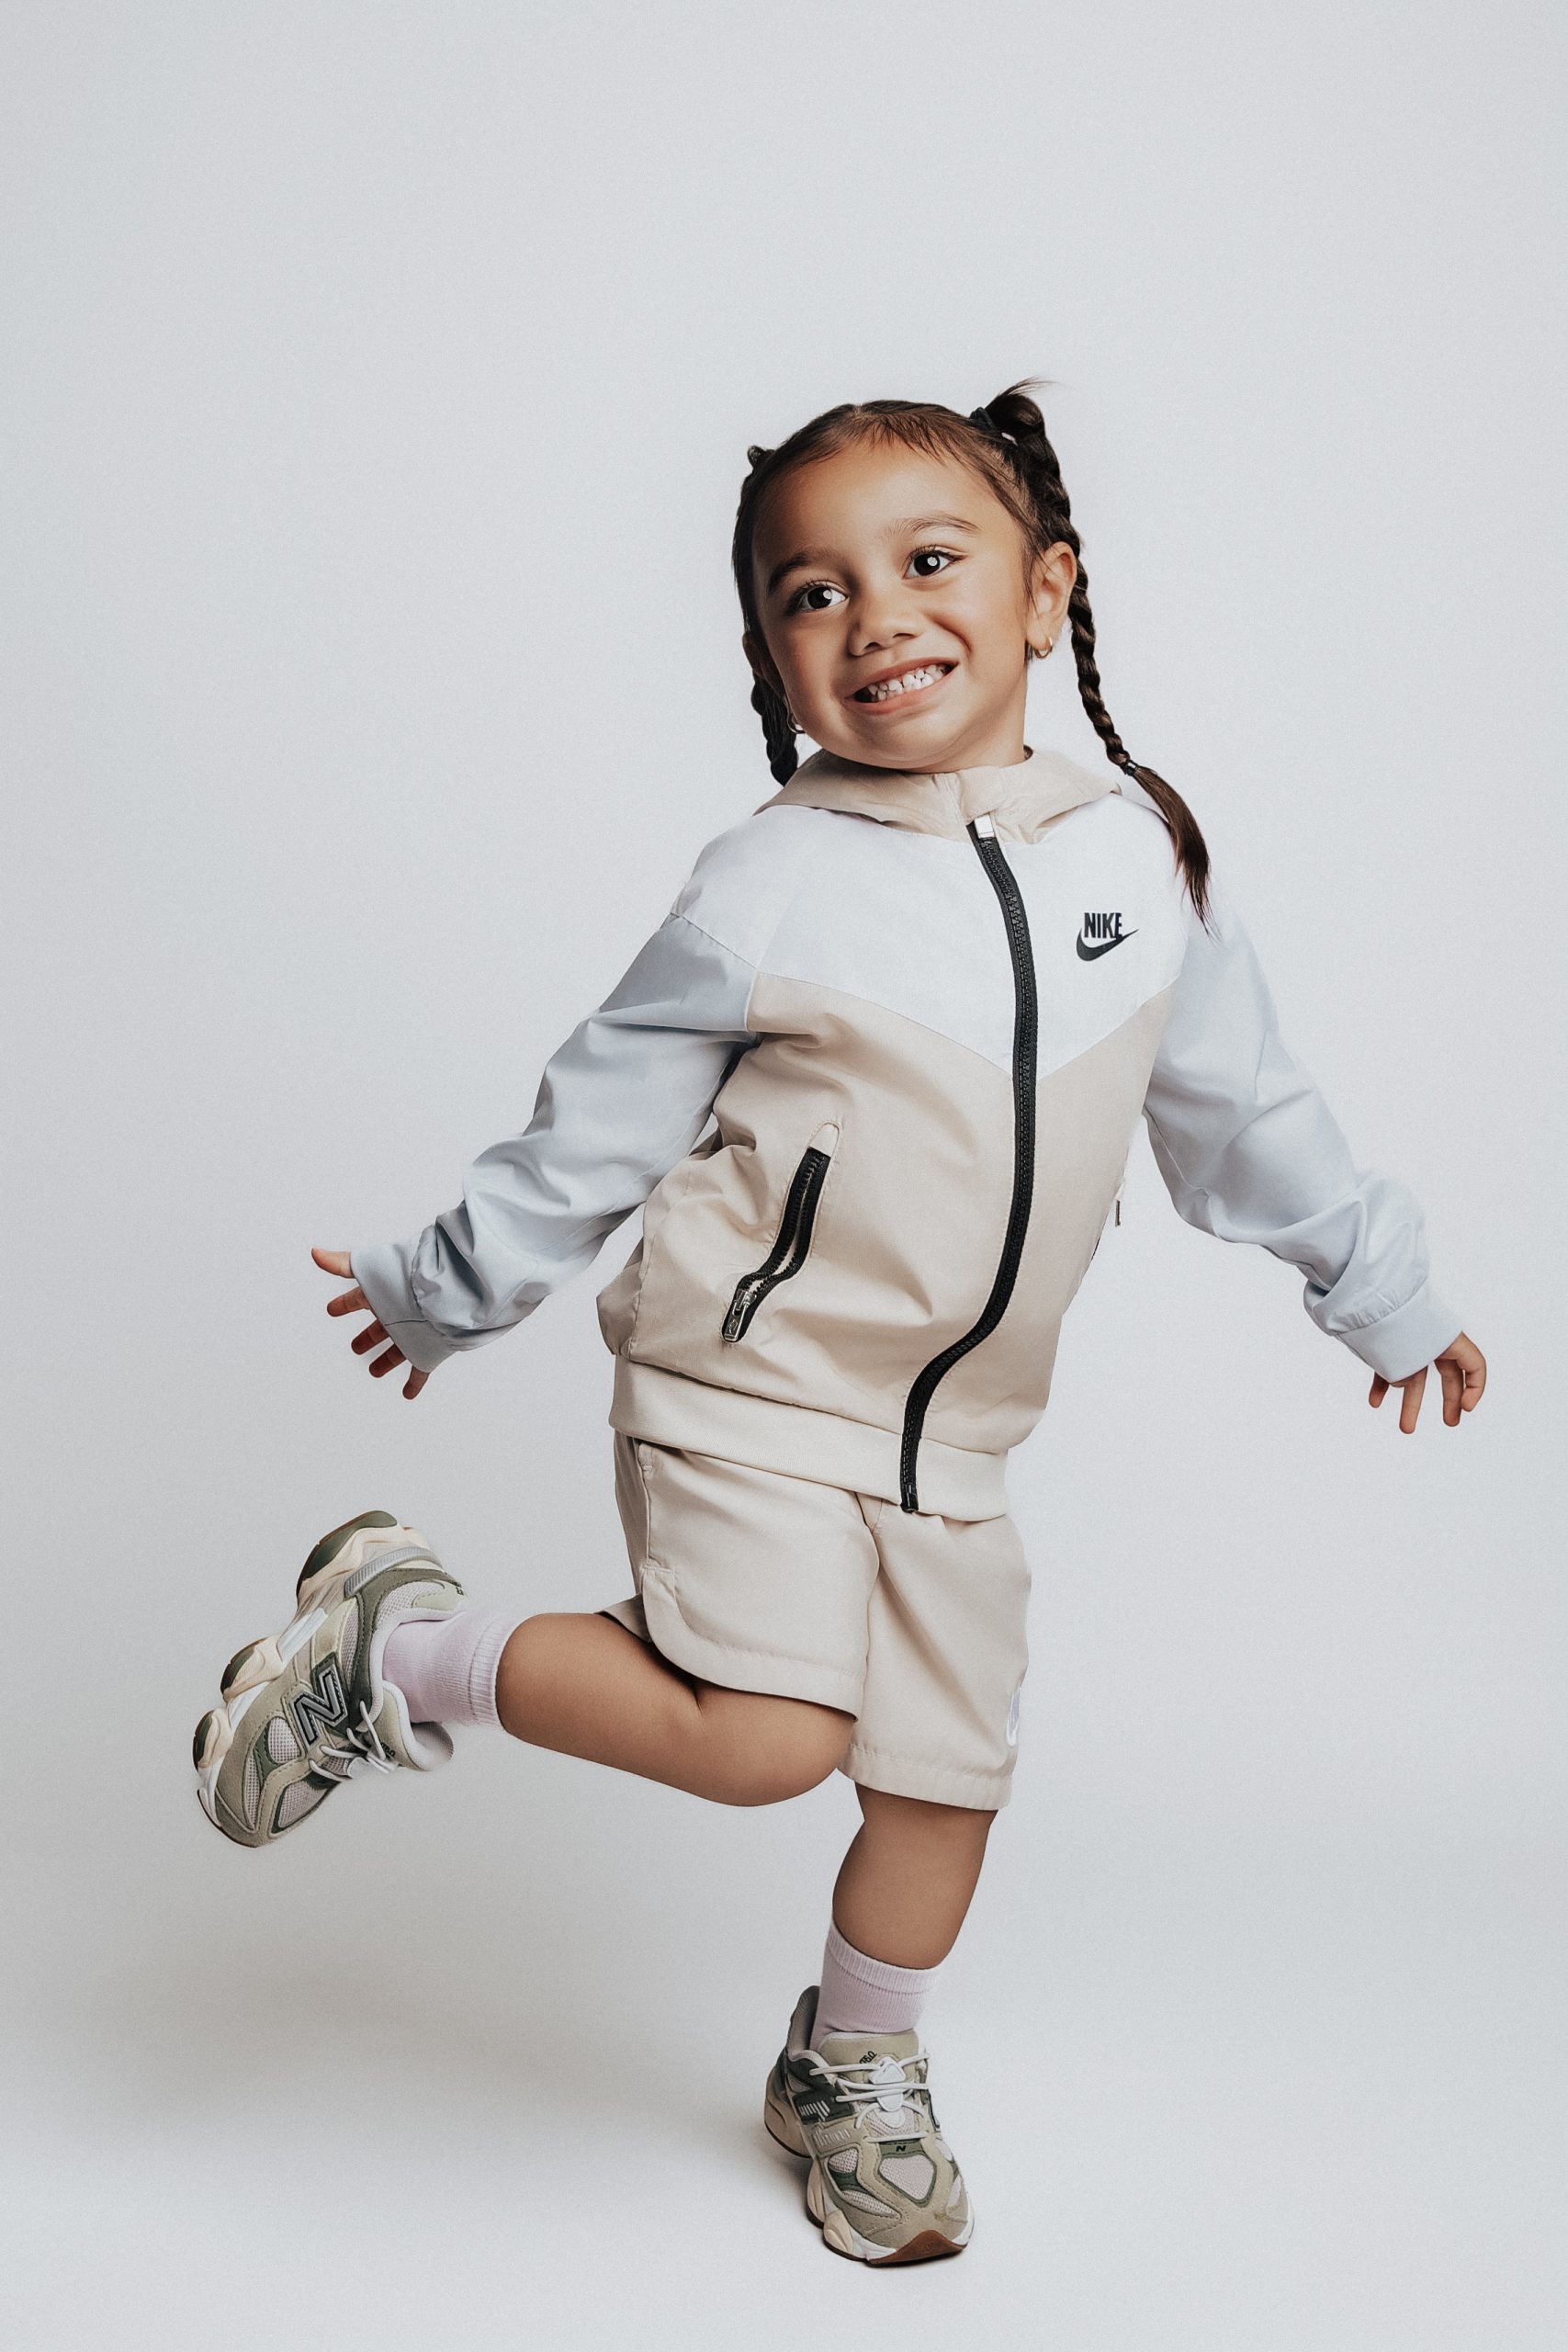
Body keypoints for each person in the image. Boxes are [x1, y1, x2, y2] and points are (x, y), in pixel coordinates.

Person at [192, 385, 1487, 2267]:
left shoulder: (1136, 862)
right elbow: (601, 1112)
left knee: (946, 1786)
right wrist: (449, 1283)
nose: (875, 614)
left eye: (929, 559)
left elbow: (1243, 1114)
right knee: (766, 1735)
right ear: (770, 656)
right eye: (813, 592)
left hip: (960, 1438)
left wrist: (1379, 1287)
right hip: (748, 1383)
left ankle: (850, 2066)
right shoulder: (772, 879)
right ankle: (396, 1648)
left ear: (1046, 591)